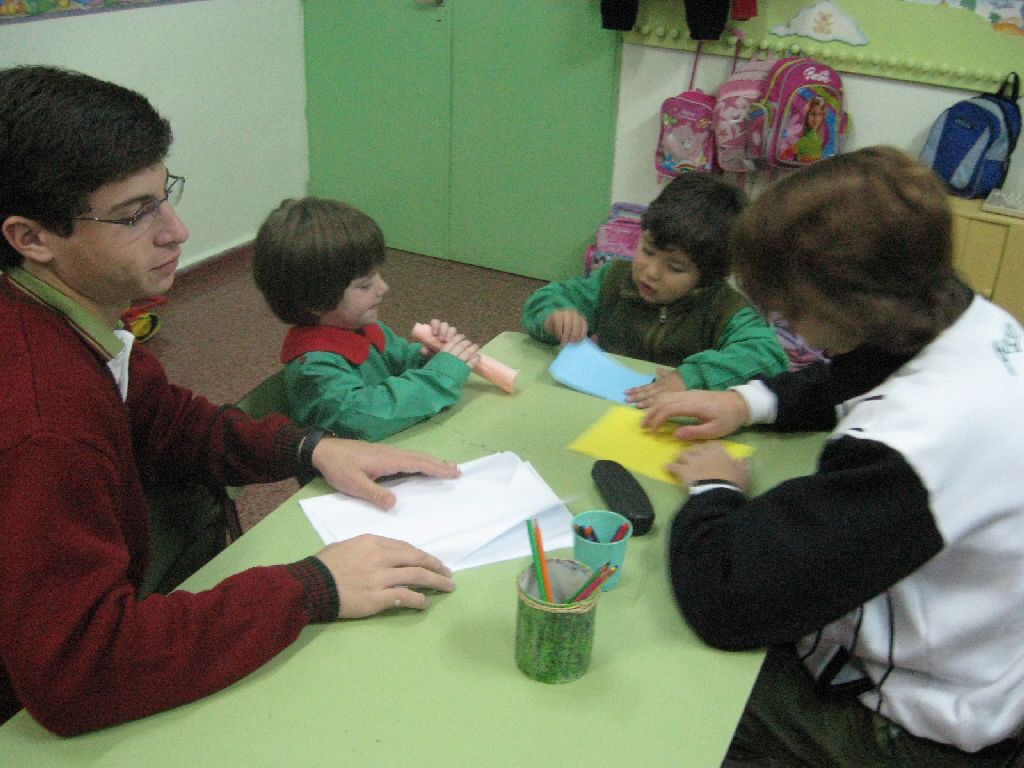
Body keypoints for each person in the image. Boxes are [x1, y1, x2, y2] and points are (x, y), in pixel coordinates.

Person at [0, 65, 460, 736]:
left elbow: (161, 420)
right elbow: (82, 671)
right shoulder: (43, 419)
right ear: (31, 238)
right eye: (135, 215)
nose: (177, 231)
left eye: (164, 197)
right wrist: (312, 586)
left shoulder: (72, 315)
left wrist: (310, 447)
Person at [642, 146, 1024, 766]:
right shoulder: (971, 318)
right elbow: (864, 368)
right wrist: (748, 401)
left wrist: (715, 490)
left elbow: (728, 600)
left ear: (855, 307)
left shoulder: (908, 448)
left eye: (792, 311)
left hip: (918, 726)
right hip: (989, 657)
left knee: (667, 675)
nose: (789, 326)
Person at [520, 172, 787, 397]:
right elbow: (548, 298)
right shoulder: (614, 279)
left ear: (709, 275)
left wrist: (690, 378)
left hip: (679, 418)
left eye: (675, 268)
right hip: (607, 403)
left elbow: (768, 356)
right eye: (647, 251)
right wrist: (554, 317)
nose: (651, 272)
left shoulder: (728, 309)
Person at [252, 197, 482, 442]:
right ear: (315, 302)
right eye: (364, 285)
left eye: (377, 276)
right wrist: (439, 378)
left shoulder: (362, 327)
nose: (383, 288)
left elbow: (399, 361)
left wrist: (428, 359)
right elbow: (365, 418)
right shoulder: (314, 369)